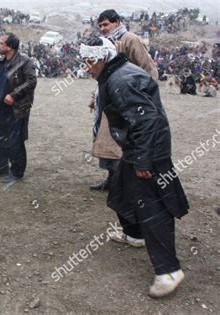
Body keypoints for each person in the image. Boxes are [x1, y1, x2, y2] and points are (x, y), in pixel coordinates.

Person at [80, 38, 189, 298]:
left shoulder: (121, 80)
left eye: (89, 61)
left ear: (103, 58)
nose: (86, 67)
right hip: (137, 149)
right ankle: (135, 234)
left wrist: (142, 161)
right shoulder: (116, 74)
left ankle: (169, 271)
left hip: (148, 152)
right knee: (119, 192)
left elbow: (147, 121)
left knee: (152, 208)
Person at [90, 9, 159, 192]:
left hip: (127, 99)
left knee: (122, 142)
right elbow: (101, 74)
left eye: (106, 24)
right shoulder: (106, 43)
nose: (103, 28)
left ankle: (124, 184)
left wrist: (141, 96)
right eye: (101, 26)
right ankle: (112, 179)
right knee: (107, 141)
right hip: (109, 98)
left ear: (117, 22)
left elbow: (148, 69)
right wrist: (94, 96)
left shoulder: (130, 40)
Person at [0, 33, 37, 183]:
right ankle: (1, 166)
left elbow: (32, 81)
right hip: (1, 107)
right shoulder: (2, 62)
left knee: (16, 141)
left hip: (17, 108)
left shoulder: (25, 61)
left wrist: (14, 95)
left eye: (1, 43)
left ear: (9, 47)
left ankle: (17, 172)